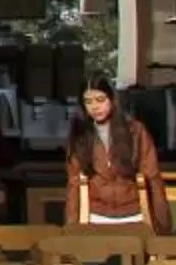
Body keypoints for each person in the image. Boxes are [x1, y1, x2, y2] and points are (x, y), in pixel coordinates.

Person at [67, 83, 165, 231]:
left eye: (100, 100)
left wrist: (162, 225)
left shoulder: (135, 130)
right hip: (96, 215)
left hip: (134, 212)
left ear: (112, 99)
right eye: (88, 102)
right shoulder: (80, 135)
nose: (94, 107)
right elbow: (74, 183)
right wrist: (71, 227)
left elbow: (153, 176)